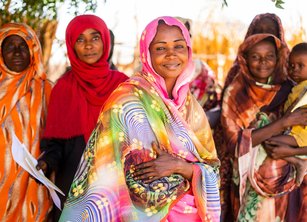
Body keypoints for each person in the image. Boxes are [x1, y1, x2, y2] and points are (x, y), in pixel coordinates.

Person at [59, 16, 220, 222]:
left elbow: (213, 172)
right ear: (147, 54)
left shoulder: (192, 107)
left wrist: (182, 167)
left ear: (188, 50)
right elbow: (111, 173)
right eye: (161, 48)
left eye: (179, 46)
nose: (171, 54)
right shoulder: (127, 101)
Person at [36, 15, 128, 221]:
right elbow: (55, 145)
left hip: (115, 185)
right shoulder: (63, 88)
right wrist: (46, 164)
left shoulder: (124, 86)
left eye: (95, 37)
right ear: (71, 45)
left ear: (105, 41)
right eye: (80, 39)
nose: (88, 46)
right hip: (72, 185)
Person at [221, 33, 307, 221]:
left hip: (289, 185)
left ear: (279, 58)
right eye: (255, 57)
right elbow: (235, 145)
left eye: (270, 56)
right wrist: (285, 122)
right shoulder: (236, 94)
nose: (263, 62)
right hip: (248, 182)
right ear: (244, 58)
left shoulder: (293, 88)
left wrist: (291, 152)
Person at [214, 13, 290, 220]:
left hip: (287, 179)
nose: (263, 61)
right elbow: (233, 141)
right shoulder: (237, 88)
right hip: (246, 178)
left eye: (270, 34)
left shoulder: (292, 84)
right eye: (257, 33)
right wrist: (282, 124)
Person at [0, 23, 53, 221]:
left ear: (33, 50)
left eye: (22, 46)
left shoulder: (48, 90)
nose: (16, 52)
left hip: (33, 183)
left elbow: (57, 139)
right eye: (9, 47)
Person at [265, 42, 307, 186]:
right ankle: (297, 160)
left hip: (301, 135)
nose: (294, 70)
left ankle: (298, 161)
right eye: (292, 65)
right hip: (294, 131)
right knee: (270, 142)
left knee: (268, 140)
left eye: (301, 66)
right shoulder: (295, 86)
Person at [175, 16, 220, 128]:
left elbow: (217, 109)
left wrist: (197, 126)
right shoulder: (147, 74)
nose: (183, 41)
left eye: (187, 36)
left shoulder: (201, 72)